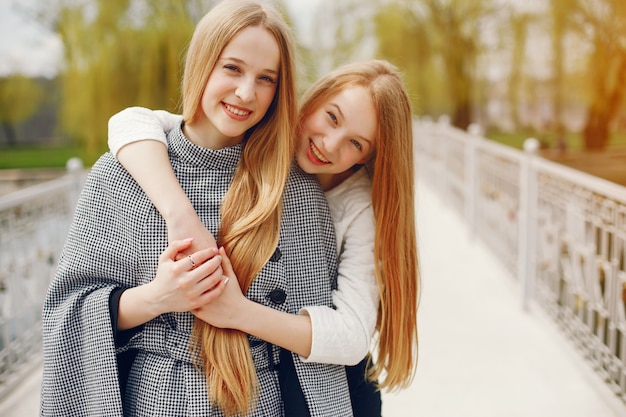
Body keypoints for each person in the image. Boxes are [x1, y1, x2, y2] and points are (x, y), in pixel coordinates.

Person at [40, 1, 354, 416]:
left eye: (266, 79)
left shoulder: (294, 191)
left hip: (258, 401)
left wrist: (240, 314)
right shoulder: (121, 174)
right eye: (232, 68)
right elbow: (67, 311)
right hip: (153, 399)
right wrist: (157, 297)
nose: (246, 93)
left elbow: (318, 346)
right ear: (203, 63)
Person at [108, 60, 420, 415]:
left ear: (368, 157)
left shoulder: (358, 205)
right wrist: (180, 215)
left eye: (356, 143)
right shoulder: (265, 137)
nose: (330, 145)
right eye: (332, 117)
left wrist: (239, 312)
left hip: (329, 384)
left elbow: (351, 335)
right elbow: (130, 121)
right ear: (314, 98)